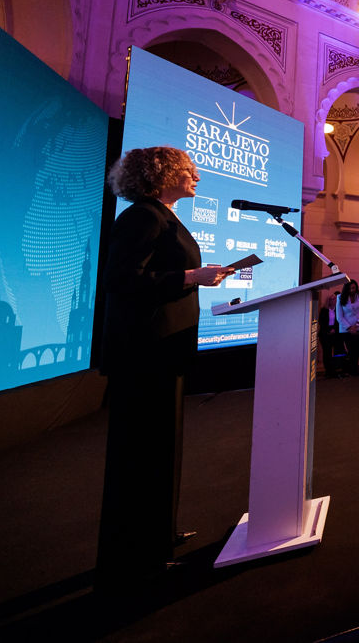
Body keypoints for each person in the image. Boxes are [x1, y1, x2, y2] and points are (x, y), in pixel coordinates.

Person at [96, 146, 232, 594]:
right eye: (189, 170)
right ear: (162, 174)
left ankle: (157, 538)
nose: (197, 177)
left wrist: (197, 276)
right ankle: (136, 558)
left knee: (161, 449)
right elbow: (120, 280)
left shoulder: (164, 216)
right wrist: (191, 277)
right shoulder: (143, 217)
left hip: (163, 349)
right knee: (142, 454)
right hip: (144, 353)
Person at [336, 279, 359, 376]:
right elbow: (339, 317)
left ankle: (355, 374)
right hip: (346, 330)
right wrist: (349, 328)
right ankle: (353, 373)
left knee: (356, 352)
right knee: (351, 352)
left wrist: (357, 325)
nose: (352, 290)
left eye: (354, 288)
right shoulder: (340, 297)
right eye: (350, 288)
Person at [318, 291, 340, 378]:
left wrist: (334, 329)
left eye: (334, 299)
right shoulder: (324, 310)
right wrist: (328, 330)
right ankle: (328, 371)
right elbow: (321, 322)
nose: (333, 300)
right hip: (325, 334)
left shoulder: (338, 310)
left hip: (334, 333)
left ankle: (334, 370)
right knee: (327, 353)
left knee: (334, 352)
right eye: (331, 299)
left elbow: (339, 321)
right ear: (328, 301)